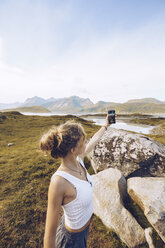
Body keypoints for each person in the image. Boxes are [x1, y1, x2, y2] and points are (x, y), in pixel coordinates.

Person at [40, 115, 110, 248]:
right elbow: (49, 234)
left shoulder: (79, 161)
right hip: (71, 241)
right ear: (73, 150)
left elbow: (93, 141)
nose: (85, 143)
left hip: (83, 231)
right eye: (83, 141)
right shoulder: (59, 182)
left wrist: (105, 126)